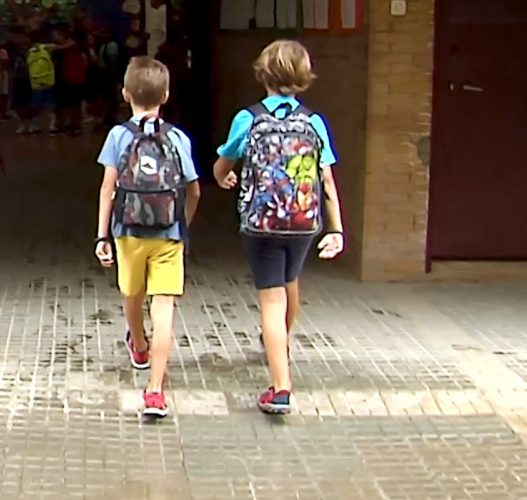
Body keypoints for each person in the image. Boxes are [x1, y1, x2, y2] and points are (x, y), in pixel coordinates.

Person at [212, 40, 346, 414]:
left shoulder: (248, 118)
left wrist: (224, 177)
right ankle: (280, 346)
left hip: (261, 222)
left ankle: (281, 387)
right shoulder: (314, 122)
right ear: (304, 78)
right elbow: (327, 180)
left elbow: (222, 165)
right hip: (304, 221)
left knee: (271, 298)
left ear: (263, 74)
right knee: (291, 283)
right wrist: (335, 229)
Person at [94, 57, 201, 417]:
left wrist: (102, 236)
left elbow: (108, 188)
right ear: (166, 95)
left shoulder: (118, 136)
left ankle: (138, 344)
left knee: (131, 291)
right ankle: (155, 390)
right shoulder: (178, 138)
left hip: (128, 231)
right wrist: (181, 224)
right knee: (164, 305)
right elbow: (194, 190)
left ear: (125, 94)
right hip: (168, 233)